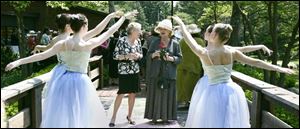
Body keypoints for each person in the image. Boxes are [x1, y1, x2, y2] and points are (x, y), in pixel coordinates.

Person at [5, 11, 138, 128]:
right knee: (80, 114)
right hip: (80, 82)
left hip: (62, 80)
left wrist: (18, 62)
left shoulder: (62, 43)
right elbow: (107, 32)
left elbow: (42, 55)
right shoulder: (87, 44)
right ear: (84, 26)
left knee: (63, 114)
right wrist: (121, 18)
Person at [172, 16, 294, 128]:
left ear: (213, 34)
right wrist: (278, 68)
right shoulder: (231, 52)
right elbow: (255, 62)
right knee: (229, 120)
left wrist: (182, 25)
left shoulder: (205, 53)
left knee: (212, 121)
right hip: (231, 90)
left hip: (212, 91)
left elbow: (189, 40)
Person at [144, 19, 182, 124]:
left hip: (169, 74)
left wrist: (171, 59)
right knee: (155, 95)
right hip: (156, 73)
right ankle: (154, 118)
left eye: (165, 28)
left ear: (170, 31)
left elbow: (180, 59)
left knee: (167, 95)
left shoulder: (175, 43)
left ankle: (166, 118)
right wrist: (153, 55)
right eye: (160, 28)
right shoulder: (154, 42)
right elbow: (147, 56)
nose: (162, 30)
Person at [109, 22, 143, 127]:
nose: (140, 32)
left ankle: (130, 116)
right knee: (121, 93)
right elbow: (115, 56)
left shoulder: (138, 41)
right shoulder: (122, 40)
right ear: (132, 31)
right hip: (124, 71)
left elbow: (141, 54)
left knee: (133, 94)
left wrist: (138, 55)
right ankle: (113, 117)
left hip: (135, 70)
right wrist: (126, 56)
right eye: (139, 30)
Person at [176, 24, 205, 107]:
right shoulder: (200, 41)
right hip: (194, 66)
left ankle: (182, 102)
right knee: (192, 86)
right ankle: (191, 103)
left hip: (181, 66)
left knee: (182, 85)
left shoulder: (182, 40)